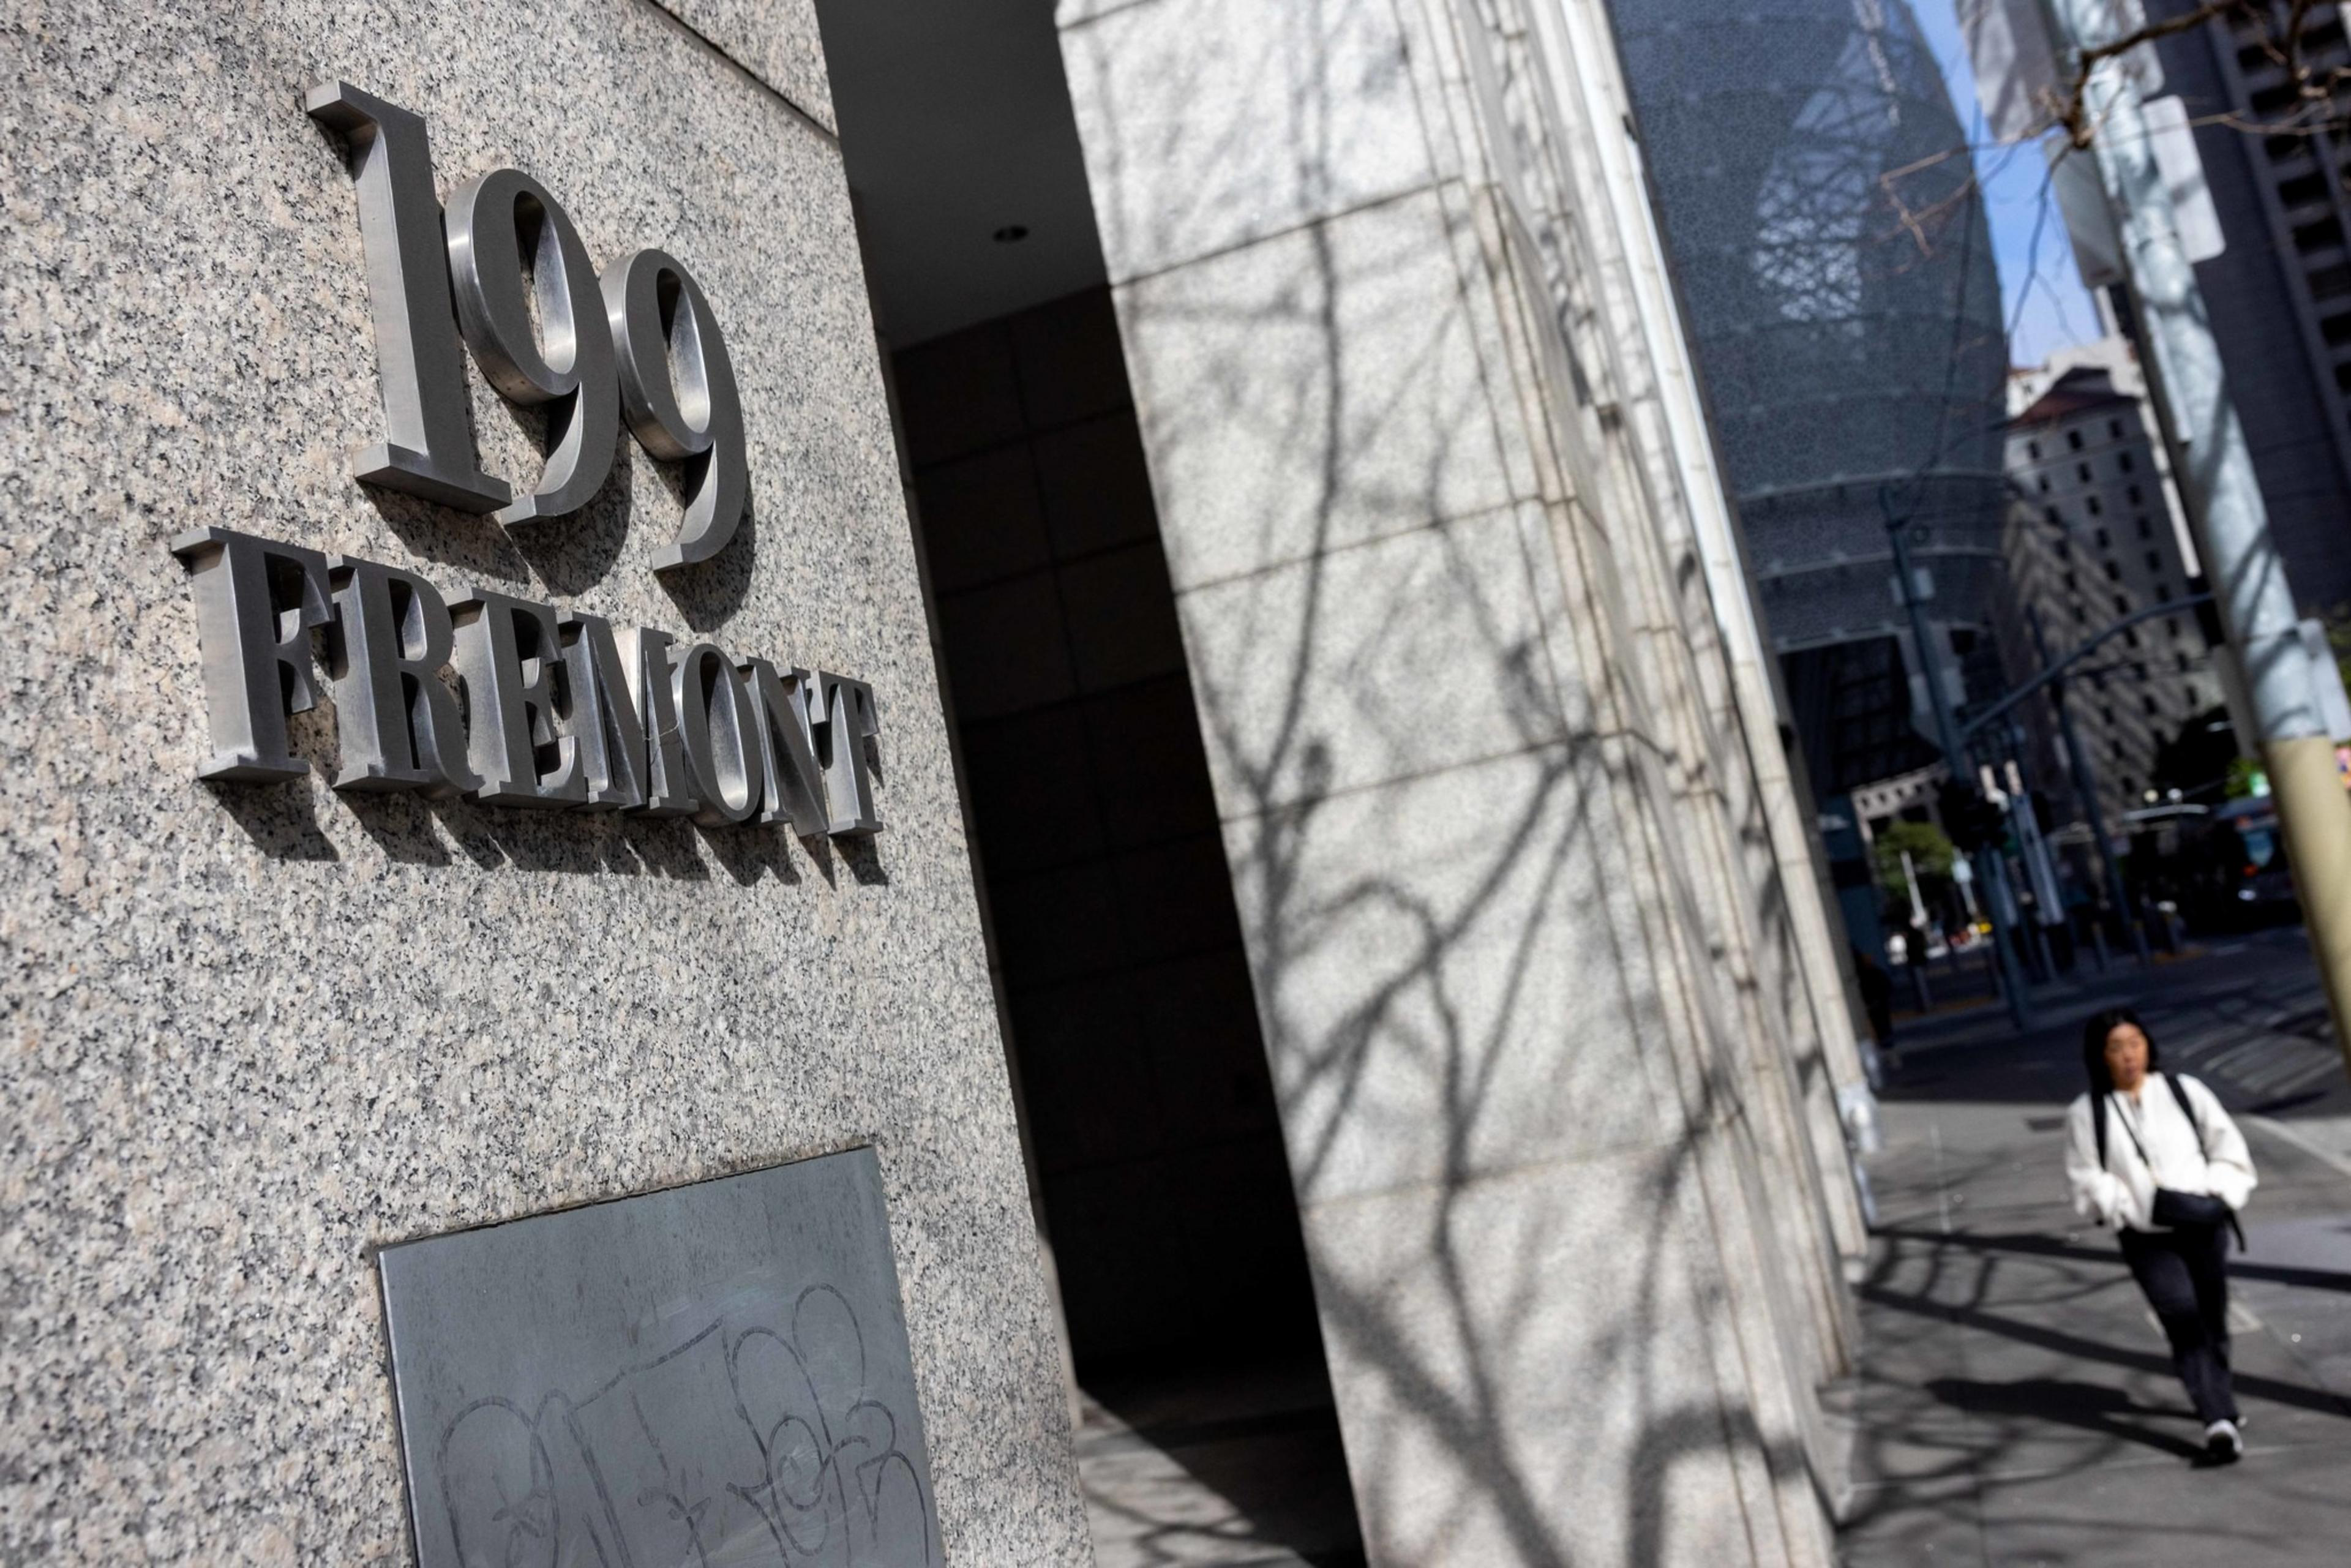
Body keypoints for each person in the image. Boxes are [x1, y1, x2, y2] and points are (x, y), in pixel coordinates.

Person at [2064, 1007, 2257, 1463]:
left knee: (2212, 1316)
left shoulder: (2184, 1091)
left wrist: (2218, 1192)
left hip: (2203, 1222)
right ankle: (2216, 1418)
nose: (2129, 1055)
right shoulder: (2086, 1111)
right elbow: (2086, 1176)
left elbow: (2228, 1147)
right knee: (2181, 1314)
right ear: (2100, 1055)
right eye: (2116, 1048)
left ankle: (2219, 1397)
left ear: (2148, 1044)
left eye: (2135, 1043)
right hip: (2146, 1236)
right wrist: (2126, 1206)